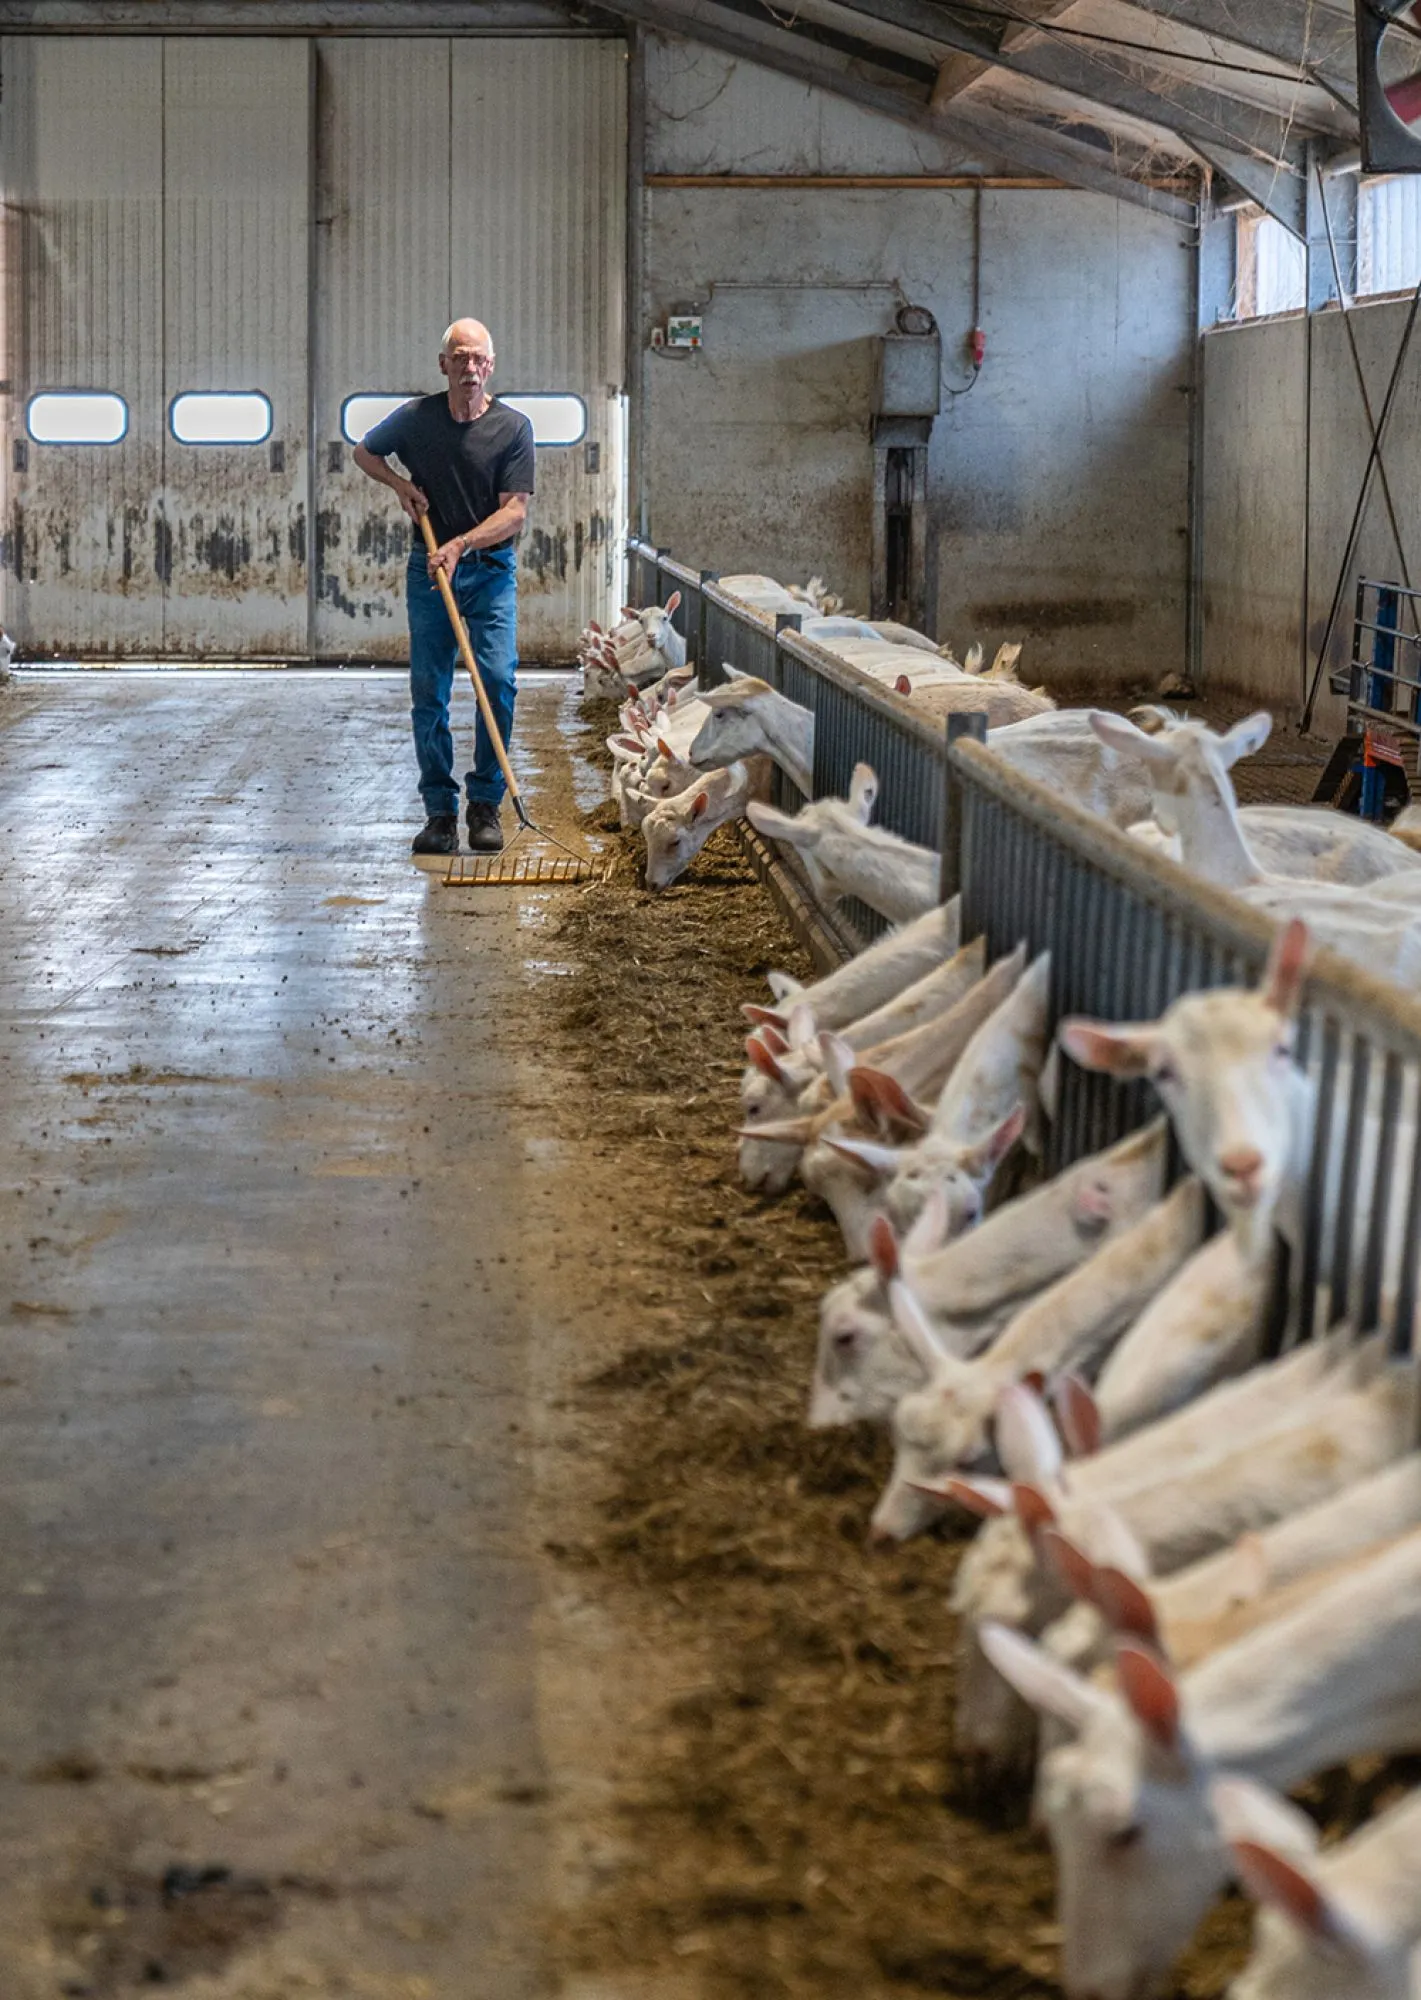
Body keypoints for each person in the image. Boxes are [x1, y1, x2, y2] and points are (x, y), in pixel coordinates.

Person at [353, 319, 535, 856]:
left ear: (491, 365)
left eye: (478, 359)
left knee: (496, 681)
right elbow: (365, 452)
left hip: (489, 570)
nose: (469, 368)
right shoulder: (415, 419)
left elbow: (515, 513)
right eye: (460, 358)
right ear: (443, 364)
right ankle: (439, 811)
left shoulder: (513, 428)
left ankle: (485, 804)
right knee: (428, 691)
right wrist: (400, 485)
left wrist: (461, 545)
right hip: (429, 572)